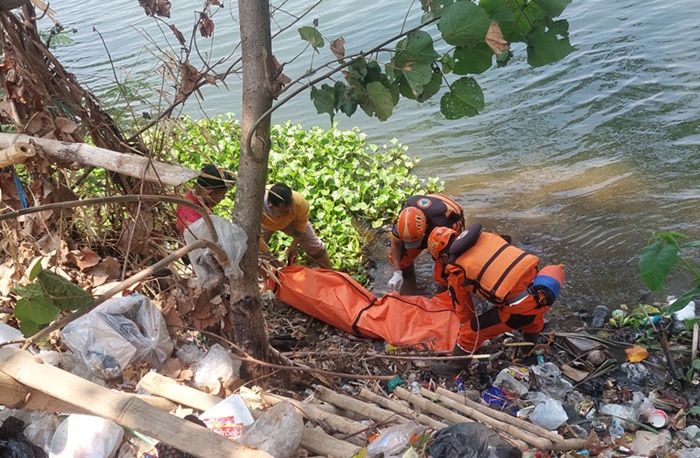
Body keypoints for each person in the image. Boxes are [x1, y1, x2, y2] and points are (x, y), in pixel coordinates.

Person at [425, 224, 565, 375]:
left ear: (444, 256)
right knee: (533, 320)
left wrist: (467, 336)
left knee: (471, 331)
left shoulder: (455, 269)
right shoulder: (488, 236)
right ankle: (529, 353)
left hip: (520, 306)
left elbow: (464, 311)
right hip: (539, 285)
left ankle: (453, 368)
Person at [387, 193, 464, 293]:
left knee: (445, 267)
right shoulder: (402, 221)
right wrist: (397, 272)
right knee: (401, 258)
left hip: (450, 213)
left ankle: (443, 291)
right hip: (430, 203)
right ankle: (407, 276)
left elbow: (450, 257)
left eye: (415, 241)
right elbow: (396, 244)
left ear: (426, 228)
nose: (412, 246)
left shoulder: (443, 225)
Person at [261, 183, 331, 268]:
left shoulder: (299, 203)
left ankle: (329, 270)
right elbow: (254, 237)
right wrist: (269, 257)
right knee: (257, 252)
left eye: (289, 208)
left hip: (291, 222)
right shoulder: (257, 209)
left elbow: (301, 225)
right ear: (270, 206)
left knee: (313, 244)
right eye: (283, 211)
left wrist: (294, 244)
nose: (288, 213)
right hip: (263, 225)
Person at [176, 164, 233, 234]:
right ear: (210, 193)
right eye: (222, 195)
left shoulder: (188, 196)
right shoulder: (199, 221)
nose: (223, 198)